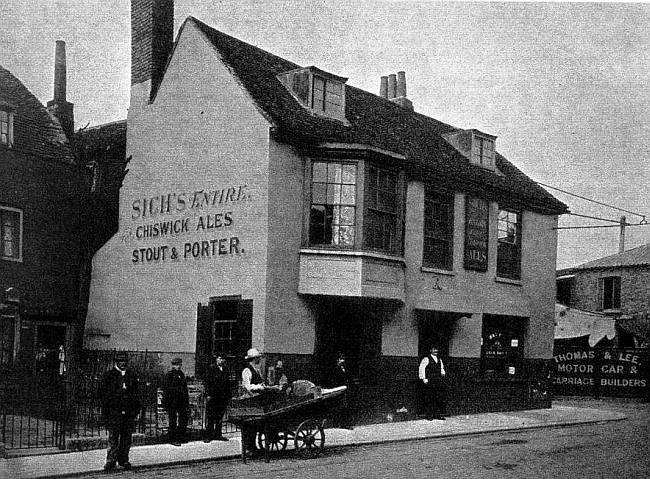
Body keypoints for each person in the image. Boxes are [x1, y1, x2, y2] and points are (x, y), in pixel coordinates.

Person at [100, 352, 141, 472]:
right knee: (113, 437)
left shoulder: (131, 375)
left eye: (124, 361)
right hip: (114, 413)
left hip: (128, 413)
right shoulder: (109, 375)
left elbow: (136, 395)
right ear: (116, 362)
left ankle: (123, 460)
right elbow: (104, 396)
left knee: (126, 438)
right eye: (120, 361)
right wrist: (107, 412)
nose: (123, 364)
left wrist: (135, 411)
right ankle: (111, 460)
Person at [241, 348, 267, 454]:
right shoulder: (247, 370)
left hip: (258, 399)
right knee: (251, 425)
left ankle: (253, 446)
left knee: (255, 425)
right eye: (258, 358)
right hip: (251, 399)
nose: (259, 360)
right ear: (253, 359)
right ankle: (249, 447)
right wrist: (259, 387)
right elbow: (247, 386)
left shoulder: (256, 369)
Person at [203, 353, 231, 442]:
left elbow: (227, 383)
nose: (221, 360)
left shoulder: (226, 369)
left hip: (222, 397)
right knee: (211, 416)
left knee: (219, 417)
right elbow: (207, 382)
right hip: (213, 396)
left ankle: (218, 434)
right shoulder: (211, 368)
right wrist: (208, 394)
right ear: (216, 359)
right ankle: (208, 435)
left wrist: (228, 395)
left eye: (223, 359)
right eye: (219, 358)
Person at [162, 357, 189, 446]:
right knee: (173, 420)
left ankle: (181, 437)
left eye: (179, 365)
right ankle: (173, 438)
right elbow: (166, 388)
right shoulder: (169, 375)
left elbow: (185, 388)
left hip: (181, 401)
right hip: (172, 401)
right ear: (173, 365)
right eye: (176, 365)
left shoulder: (181, 374)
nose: (178, 366)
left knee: (182, 419)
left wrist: (186, 399)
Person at [418, 344, 447, 420]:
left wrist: (442, 372)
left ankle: (437, 414)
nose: (435, 351)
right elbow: (422, 368)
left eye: (436, 349)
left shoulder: (439, 359)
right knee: (430, 398)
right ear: (430, 350)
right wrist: (423, 378)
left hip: (437, 381)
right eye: (434, 349)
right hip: (430, 381)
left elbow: (441, 367)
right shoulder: (426, 359)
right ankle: (429, 415)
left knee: (437, 397)